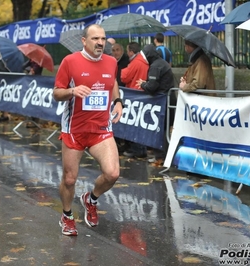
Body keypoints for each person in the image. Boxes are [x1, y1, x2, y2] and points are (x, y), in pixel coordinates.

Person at [53, 24, 123, 236]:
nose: (100, 43)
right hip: (74, 128)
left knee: (112, 173)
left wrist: (118, 101)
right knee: (69, 179)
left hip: (100, 128)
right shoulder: (70, 62)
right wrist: (72, 91)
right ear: (84, 41)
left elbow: (112, 83)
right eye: (95, 39)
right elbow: (56, 92)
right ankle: (66, 216)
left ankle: (90, 199)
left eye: (103, 38)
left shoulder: (111, 62)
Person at [136, 44, 176, 164]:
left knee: (160, 130)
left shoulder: (155, 66)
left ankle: (161, 157)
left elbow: (152, 87)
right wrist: (147, 83)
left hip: (163, 101)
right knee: (164, 130)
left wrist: (143, 85)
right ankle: (164, 156)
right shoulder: (161, 63)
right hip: (168, 99)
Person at [120, 42, 149, 158]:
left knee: (134, 125)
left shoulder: (135, 62)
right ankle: (138, 148)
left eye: (127, 51)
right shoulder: (144, 61)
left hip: (133, 95)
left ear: (131, 51)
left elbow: (124, 77)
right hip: (141, 94)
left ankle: (137, 149)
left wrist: (124, 69)